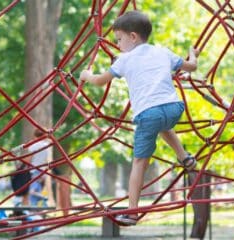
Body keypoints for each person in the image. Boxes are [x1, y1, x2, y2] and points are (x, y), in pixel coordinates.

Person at [80, 11, 199, 225]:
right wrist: (193, 53)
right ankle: (185, 157)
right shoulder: (163, 52)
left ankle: (132, 211)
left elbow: (99, 81)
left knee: (139, 161)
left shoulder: (124, 60)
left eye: (119, 40)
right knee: (163, 125)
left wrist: (87, 76)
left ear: (133, 37)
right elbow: (192, 66)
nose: (117, 45)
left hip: (148, 113)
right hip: (174, 108)